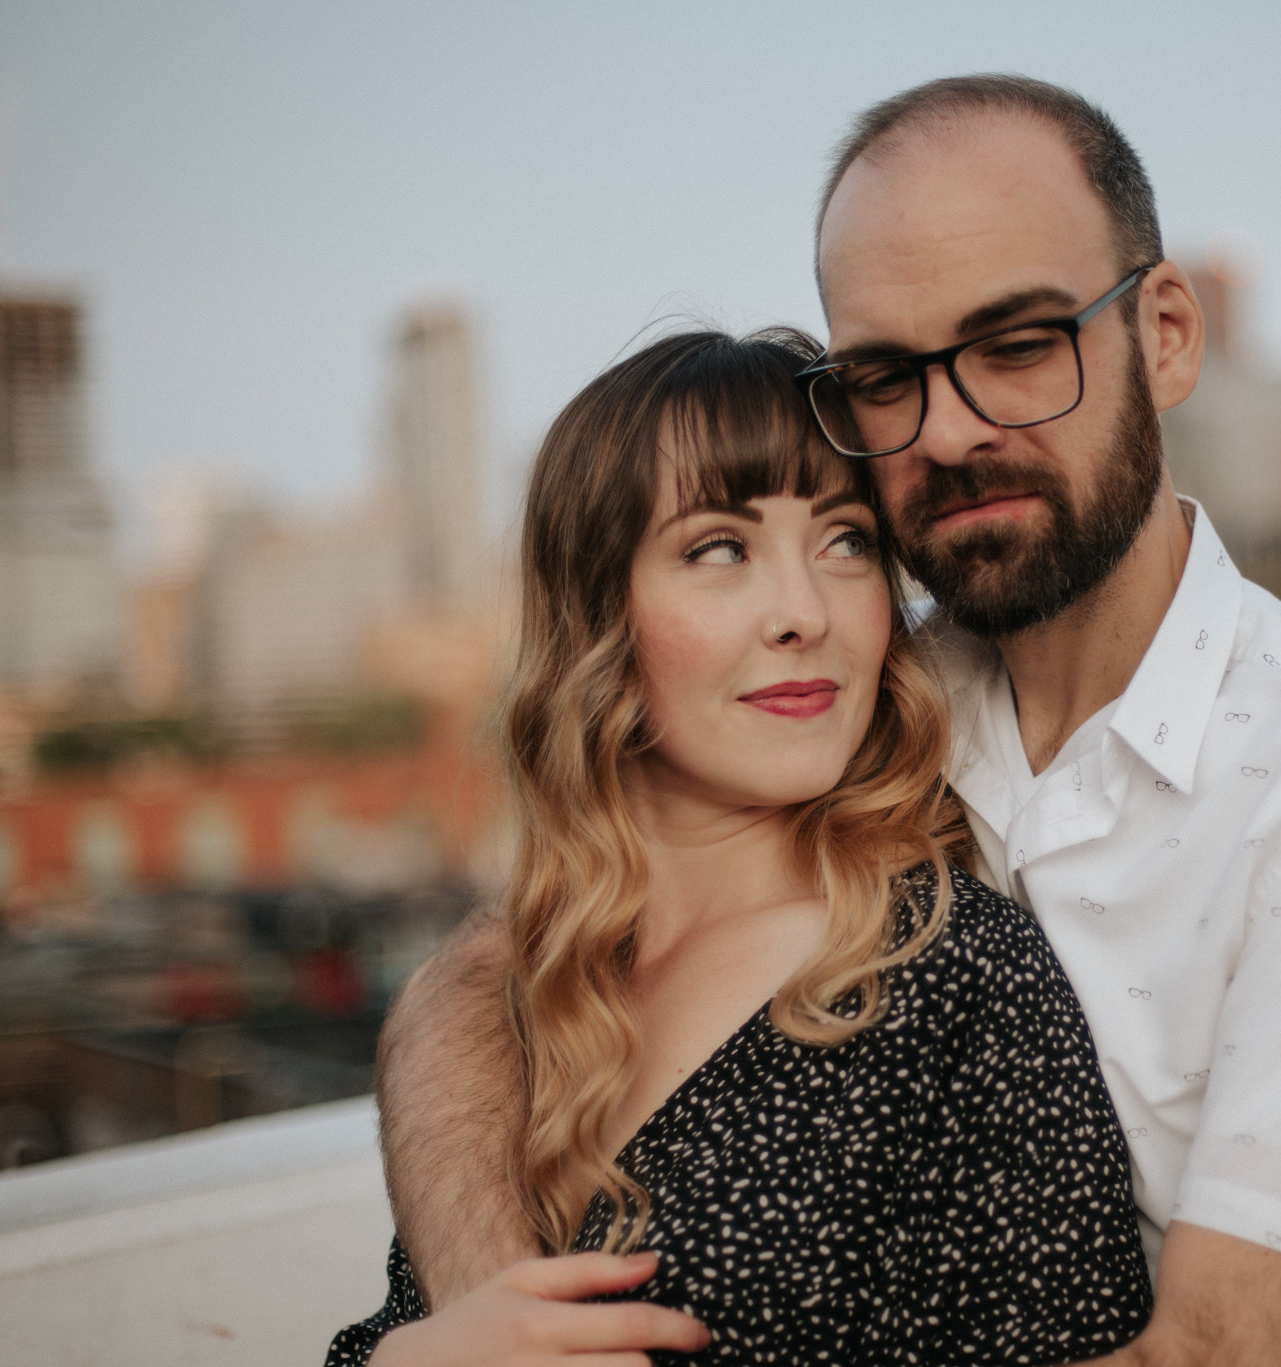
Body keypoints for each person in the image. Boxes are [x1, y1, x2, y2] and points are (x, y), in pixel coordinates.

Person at [379, 76, 1281, 1367]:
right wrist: (493, 1303)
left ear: (1167, 335)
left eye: (1018, 345)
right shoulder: (856, 695)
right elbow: (494, 969)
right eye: (885, 374)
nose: (955, 429)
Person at [329, 328, 1155, 1366]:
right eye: (718, 548)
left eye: (845, 540)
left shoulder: (961, 984)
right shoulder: (526, 1002)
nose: (802, 612)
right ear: (601, 614)